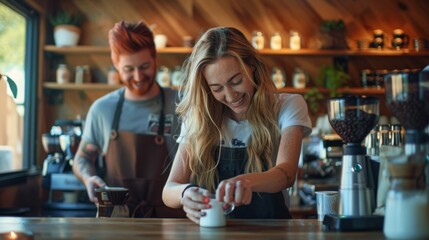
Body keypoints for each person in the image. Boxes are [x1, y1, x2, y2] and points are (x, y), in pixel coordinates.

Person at [162, 26, 312, 224]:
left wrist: (245, 181)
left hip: (272, 231)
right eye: (217, 88)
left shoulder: (287, 105)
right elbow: (169, 189)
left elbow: (286, 174)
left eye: (236, 81)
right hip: (213, 232)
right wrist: (185, 193)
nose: (231, 96)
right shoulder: (198, 116)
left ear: (252, 66)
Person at [73, 20, 185, 218]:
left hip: (172, 223)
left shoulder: (182, 105)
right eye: (128, 69)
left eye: (144, 66)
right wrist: (89, 178)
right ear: (115, 64)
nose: (138, 76)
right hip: (118, 222)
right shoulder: (102, 109)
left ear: (155, 58)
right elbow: (82, 158)